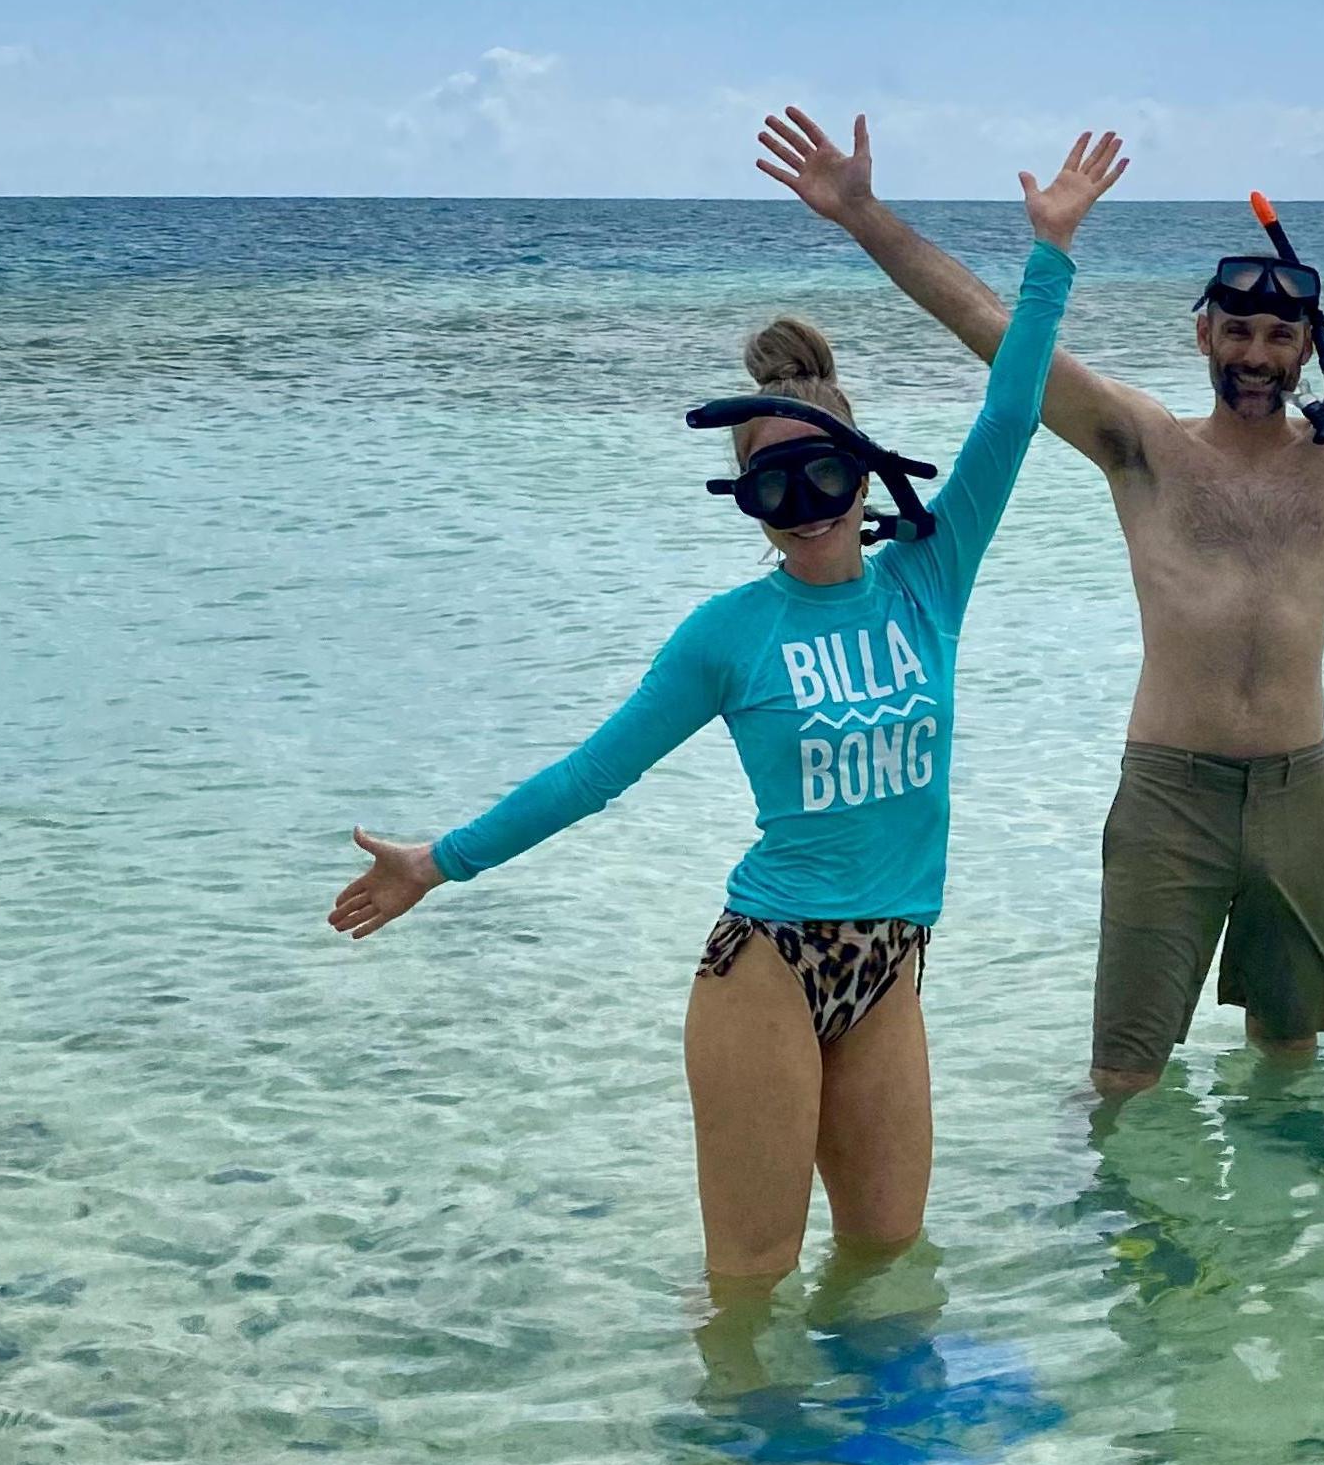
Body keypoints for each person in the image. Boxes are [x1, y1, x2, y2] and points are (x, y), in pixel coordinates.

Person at [755, 55, 1324, 1097]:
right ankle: (1137, 1248)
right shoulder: (1143, 446)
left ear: (1304, 348)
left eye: (1281, 336)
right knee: (1124, 1077)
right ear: (1202, 332)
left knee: (1290, 1066)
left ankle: (1276, 1250)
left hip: (1300, 794)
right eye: (1236, 330)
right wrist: (865, 216)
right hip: (1167, 795)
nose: (1256, 353)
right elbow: (995, 338)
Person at [329, 130, 1129, 1284]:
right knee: (754, 1272)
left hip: (893, 960)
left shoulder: (926, 578)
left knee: (888, 1256)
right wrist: (437, 861)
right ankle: (735, 1459)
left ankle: (858, 1464)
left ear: (863, 472)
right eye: (770, 485)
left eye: (820, 476)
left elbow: (1010, 413)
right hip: (767, 963)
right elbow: (590, 777)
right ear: (745, 494)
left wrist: (1050, 250)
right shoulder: (727, 636)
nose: (801, 507)